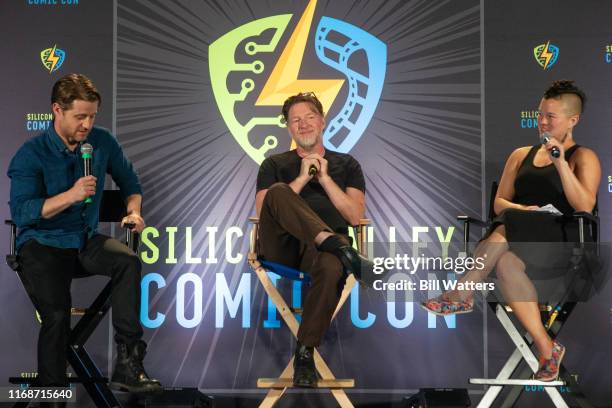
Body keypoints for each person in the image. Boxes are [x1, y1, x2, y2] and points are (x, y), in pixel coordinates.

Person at [422, 80, 601, 381]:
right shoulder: (520, 155)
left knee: (510, 223)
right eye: (540, 114)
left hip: (561, 245)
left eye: (550, 116)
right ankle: (548, 348)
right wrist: (524, 211)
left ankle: (463, 290)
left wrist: (560, 164)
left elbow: (583, 205)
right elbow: (499, 203)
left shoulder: (583, 157)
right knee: (505, 257)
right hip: (517, 241)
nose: (542, 122)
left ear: (573, 120)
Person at [8, 73, 161, 400]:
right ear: (56, 111)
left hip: (83, 240)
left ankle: (129, 365)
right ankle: (51, 390)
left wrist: (134, 211)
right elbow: (22, 213)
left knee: (128, 262)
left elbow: (130, 184)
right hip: (41, 244)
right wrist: (70, 195)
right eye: (80, 116)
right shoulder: (30, 153)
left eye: (92, 116)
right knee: (57, 313)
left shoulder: (102, 142)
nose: (87, 124)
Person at [255, 92, 373, 387]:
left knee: (333, 266)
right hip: (283, 248)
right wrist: (303, 178)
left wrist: (324, 178)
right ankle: (334, 244)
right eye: (295, 120)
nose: (303, 124)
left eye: (309, 117)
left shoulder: (347, 165)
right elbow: (263, 209)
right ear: (289, 128)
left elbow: (355, 216)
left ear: (322, 121)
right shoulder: (273, 164)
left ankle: (305, 352)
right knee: (278, 192)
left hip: (323, 257)